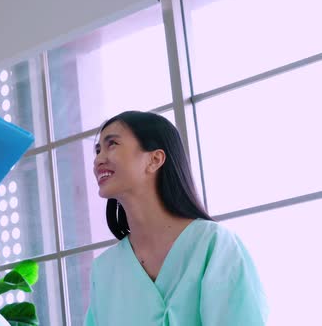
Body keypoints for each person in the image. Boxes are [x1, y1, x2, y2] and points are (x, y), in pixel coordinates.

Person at [85, 111, 268, 325]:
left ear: (155, 159)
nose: (98, 159)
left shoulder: (213, 244)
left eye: (112, 144)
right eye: (97, 150)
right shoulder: (105, 269)